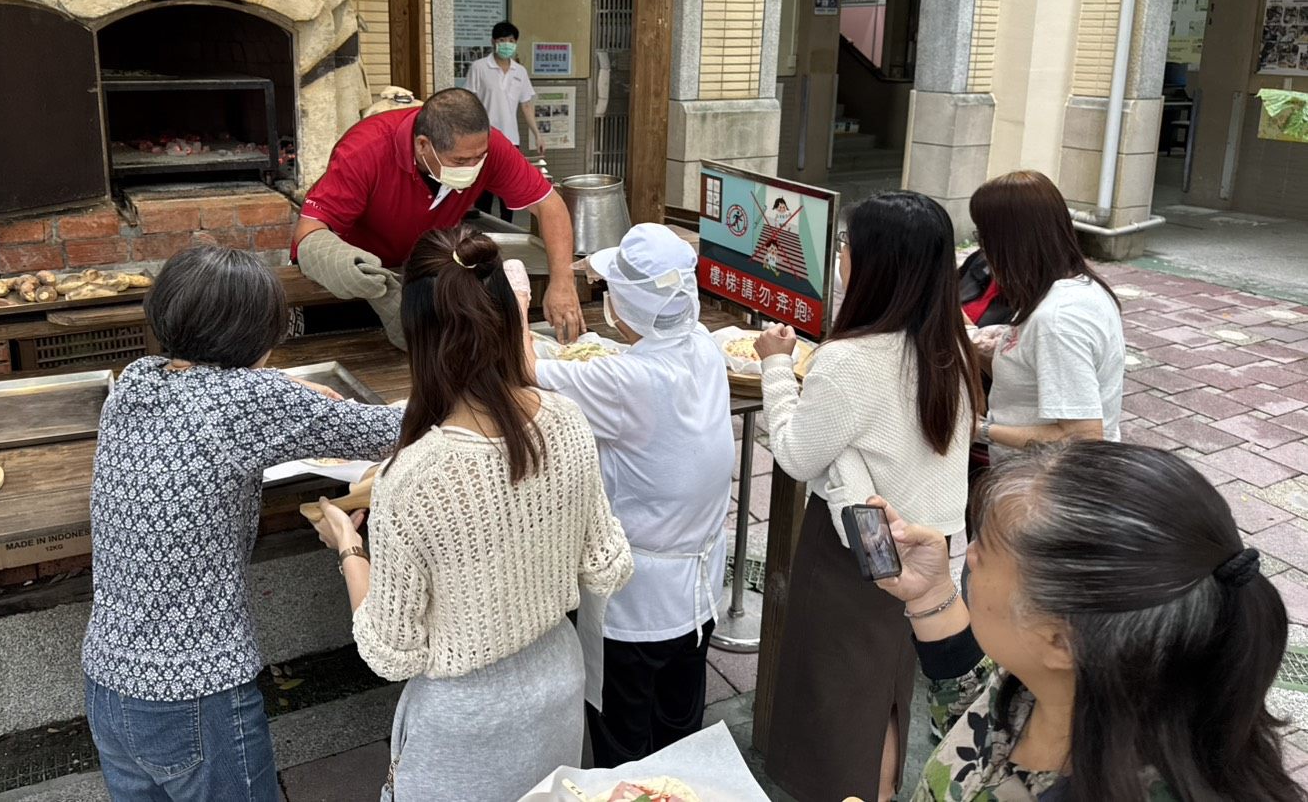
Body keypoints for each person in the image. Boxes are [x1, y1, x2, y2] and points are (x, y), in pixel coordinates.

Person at [307, 226, 633, 802]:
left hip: (466, 723)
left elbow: (390, 651)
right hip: (559, 684)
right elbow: (608, 566)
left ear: (417, 333)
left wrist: (350, 548)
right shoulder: (567, 421)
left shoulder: (411, 478)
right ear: (508, 315)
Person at [82, 246, 403, 802]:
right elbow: (392, 432)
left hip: (106, 683)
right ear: (259, 333)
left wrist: (287, 389)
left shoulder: (135, 382)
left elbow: (221, 396)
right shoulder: (247, 400)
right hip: (195, 690)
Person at [870, 441, 1303, 802]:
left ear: (1060, 642)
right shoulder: (1062, 692)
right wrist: (930, 594)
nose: (970, 556)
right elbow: (978, 723)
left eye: (985, 554)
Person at [753, 192, 983, 802]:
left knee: (841, 693)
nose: (841, 257)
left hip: (862, 545)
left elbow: (796, 454)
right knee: (888, 688)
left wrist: (775, 367)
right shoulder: (950, 343)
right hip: (931, 547)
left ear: (871, 263)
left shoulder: (849, 360)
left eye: (846, 246)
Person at [525, 223, 734, 767]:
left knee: (621, 741)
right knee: (680, 730)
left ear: (626, 307)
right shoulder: (703, 347)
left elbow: (523, 370)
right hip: (700, 594)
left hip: (636, 601)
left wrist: (519, 295)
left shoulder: (626, 380)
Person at [291, 87, 585, 347]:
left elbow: (549, 204)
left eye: (479, 157)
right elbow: (310, 229)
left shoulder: (486, 147)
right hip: (356, 282)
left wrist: (563, 282)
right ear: (422, 145)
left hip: (423, 274)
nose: (473, 166)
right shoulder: (365, 150)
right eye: (460, 161)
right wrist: (347, 267)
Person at [968, 170, 1125, 456]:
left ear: (1006, 242)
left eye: (982, 236)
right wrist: (997, 353)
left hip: (1043, 478)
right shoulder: (1074, 287)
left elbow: (1083, 437)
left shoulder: (1058, 320)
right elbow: (1034, 383)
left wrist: (979, 430)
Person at [464, 20, 544, 221]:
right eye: (502, 40)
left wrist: (537, 135)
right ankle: (483, 232)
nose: (506, 44)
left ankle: (508, 231)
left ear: (515, 43)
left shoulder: (520, 72)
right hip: (484, 138)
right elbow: (469, 101)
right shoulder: (479, 67)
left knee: (507, 191)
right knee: (484, 191)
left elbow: (526, 105)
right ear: (493, 42)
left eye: (511, 40)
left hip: (511, 140)